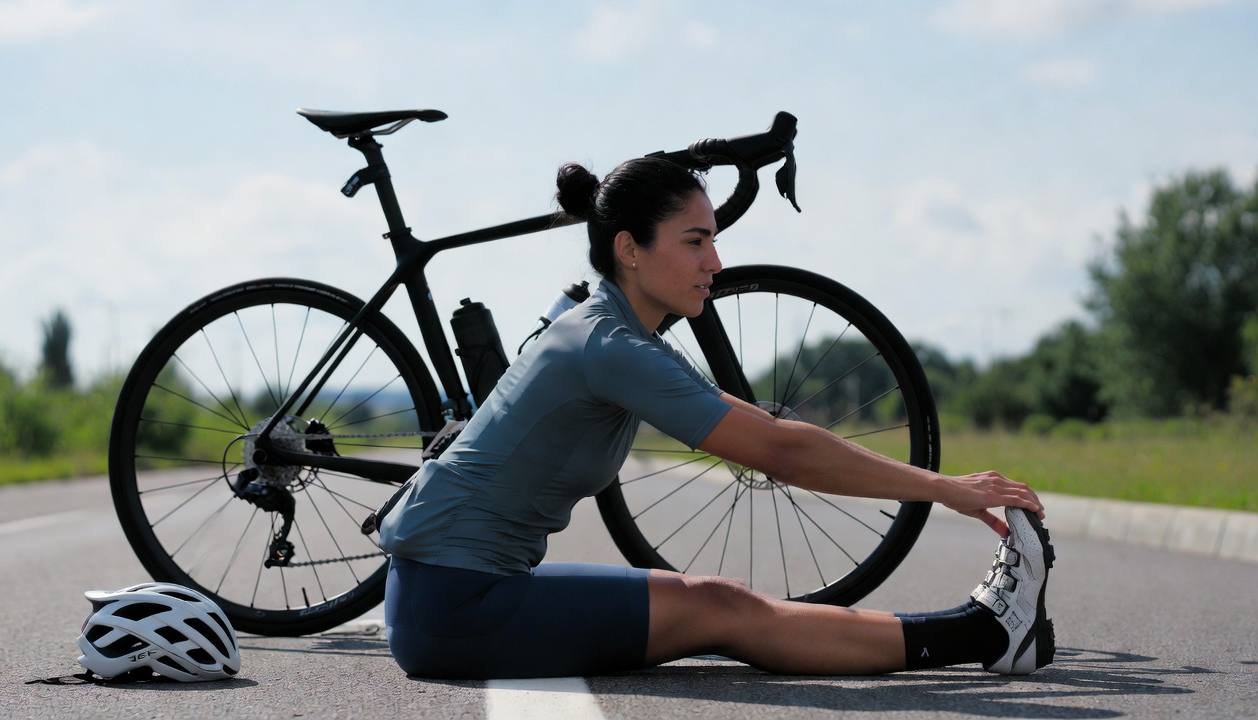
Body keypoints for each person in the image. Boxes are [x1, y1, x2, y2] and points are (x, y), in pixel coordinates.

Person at [376, 157, 1055, 680]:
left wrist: (944, 487)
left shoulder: (623, 338)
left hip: (457, 591)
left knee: (718, 603)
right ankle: (984, 634)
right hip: (456, 604)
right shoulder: (607, 347)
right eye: (695, 241)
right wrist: (948, 489)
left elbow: (762, 428)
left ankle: (984, 632)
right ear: (629, 249)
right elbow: (779, 454)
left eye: (715, 241)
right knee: (721, 611)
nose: (715, 263)